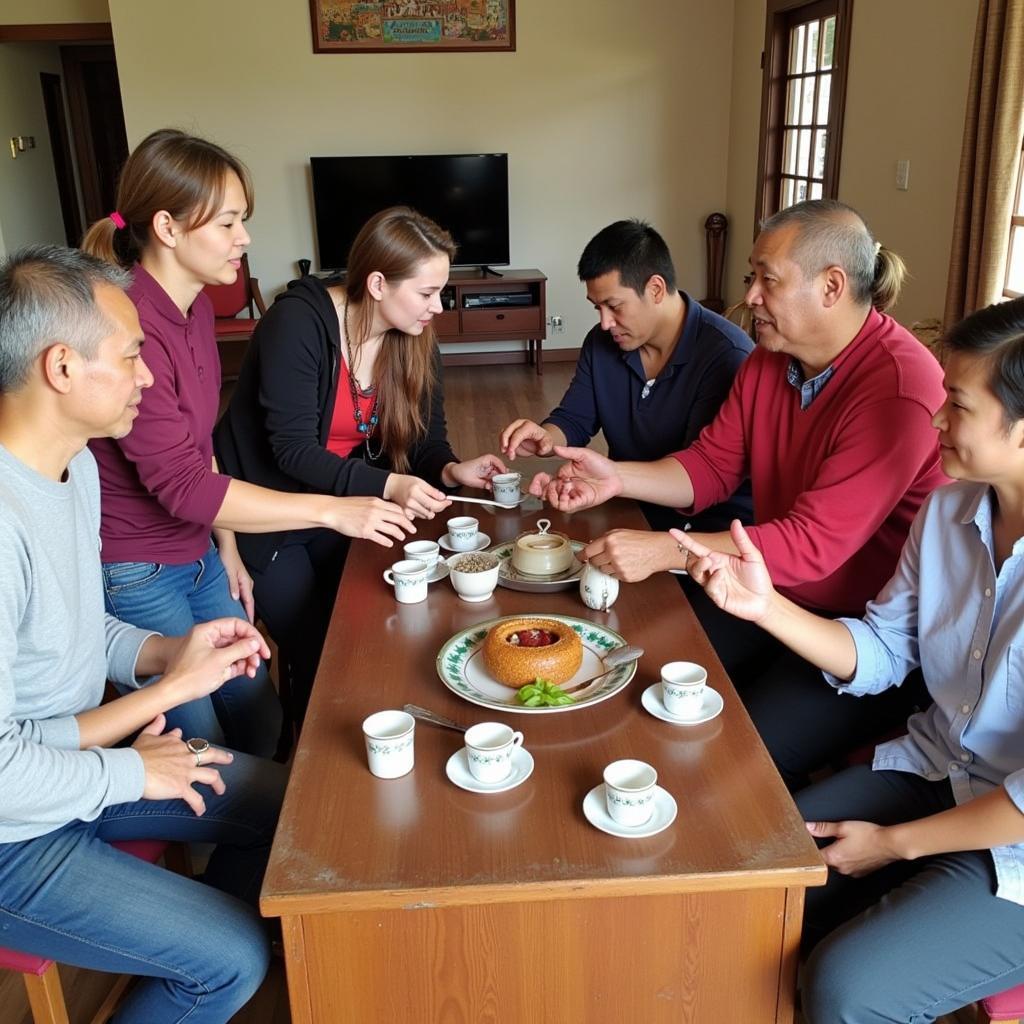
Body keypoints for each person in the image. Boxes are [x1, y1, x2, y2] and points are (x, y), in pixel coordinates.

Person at [675, 297, 1024, 1023]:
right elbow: (883, 651)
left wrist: (895, 845)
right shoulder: (951, 512)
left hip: (1010, 840)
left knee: (846, 988)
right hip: (935, 773)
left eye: (957, 405)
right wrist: (763, 604)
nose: (935, 420)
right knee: (743, 872)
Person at [535, 200, 948, 786]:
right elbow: (710, 467)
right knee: (642, 673)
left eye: (767, 280)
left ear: (832, 287)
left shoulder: (898, 388)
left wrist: (671, 551)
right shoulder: (769, 363)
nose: (750, 295)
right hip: (764, 590)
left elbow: (811, 547)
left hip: (852, 639)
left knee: (722, 759)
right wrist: (617, 478)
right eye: (753, 276)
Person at [0, 245, 288, 1021]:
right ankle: (205, 954)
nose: (150, 377)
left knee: (286, 809)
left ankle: (172, 933)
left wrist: (167, 653)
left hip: (72, 772)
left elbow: (77, 627)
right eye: (131, 356)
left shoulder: (76, 468)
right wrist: (138, 764)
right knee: (232, 961)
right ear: (61, 367)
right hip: (9, 837)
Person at [81, 131, 414, 756]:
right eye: (230, 222)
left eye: (244, 220)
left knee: (260, 718)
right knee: (200, 740)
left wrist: (225, 546)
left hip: (196, 551)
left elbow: (199, 440)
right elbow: (181, 485)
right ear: (168, 228)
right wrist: (331, 508)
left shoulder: (195, 308)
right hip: (136, 569)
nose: (245, 238)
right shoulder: (128, 323)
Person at [215, 206, 506, 718]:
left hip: (340, 503)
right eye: (425, 293)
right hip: (268, 516)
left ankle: (379, 715)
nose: (436, 307)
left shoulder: (413, 338)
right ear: (376, 283)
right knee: (319, 649)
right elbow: (291, 449)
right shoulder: (297, 324)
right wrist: (389, 485)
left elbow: (424, 440)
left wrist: (448, 469)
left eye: (440, 292)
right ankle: (312, 748)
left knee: (377, 615)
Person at [498, 218, 754, 533]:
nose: (605, 323)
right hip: (627, 505)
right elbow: (575, 418)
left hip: (708, 528)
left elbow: (700, 471)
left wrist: (606, 478)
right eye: (597, 308)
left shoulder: (726, 355)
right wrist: (546, 438)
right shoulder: (601, 343)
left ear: (656, 289)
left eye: (614, 306)